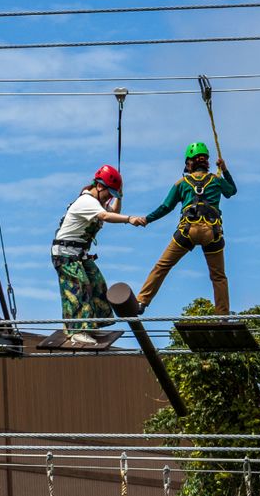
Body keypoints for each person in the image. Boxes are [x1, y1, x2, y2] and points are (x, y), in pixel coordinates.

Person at [136, 142, 237, 316]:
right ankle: (223, 316)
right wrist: (225, 170)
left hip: (187, 231)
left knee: (162, 266)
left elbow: (165, 207)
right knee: (218, 277)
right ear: (206, 162)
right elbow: (232, 191)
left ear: (189, 163)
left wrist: (147, 219)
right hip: (212, 232)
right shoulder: (216, 180)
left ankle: (141, 301)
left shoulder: (182, 183)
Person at [51, 166, 145, 347]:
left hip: (79, 254)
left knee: (97, 283)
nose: (109, 198)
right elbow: (106, 216)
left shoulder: (98, 202)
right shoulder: (87, 201)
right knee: (79, 287)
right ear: (99, 186)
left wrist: (120, 194)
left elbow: (114, 211)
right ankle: (77, 330)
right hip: (64, 254)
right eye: (108, 193)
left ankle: (92, 325)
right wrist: (129, 219)